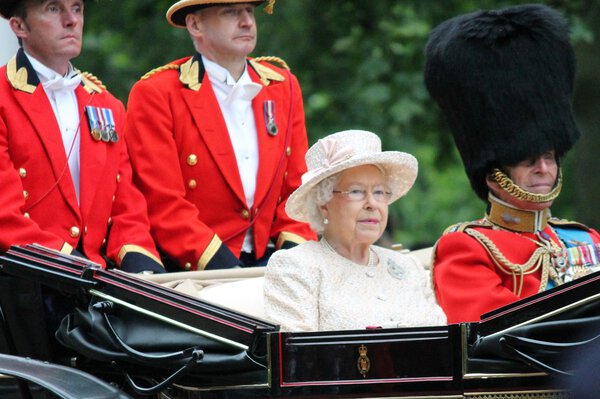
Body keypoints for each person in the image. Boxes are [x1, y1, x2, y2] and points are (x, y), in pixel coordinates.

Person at [424, 4, 600, 323]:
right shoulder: (466, 248)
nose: (544, 169)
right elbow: (498, 339)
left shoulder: (586, 240)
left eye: (549, 157)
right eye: (528, 159)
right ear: (494, 175)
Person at [125, 0, 316, 272]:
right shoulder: (157, 93)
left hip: (274, 263)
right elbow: (163, 203)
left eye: (249, 11)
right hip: (197, 270)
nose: (247, 22)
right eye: (231, 12)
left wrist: (292, 262)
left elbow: (298, 191)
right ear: (195, 24)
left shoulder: (283, 87)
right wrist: (228, 270)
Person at [0, 0, 164, 273]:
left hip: (94, 281)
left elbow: (126, 207)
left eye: (76, 8)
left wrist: (145, 271)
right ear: (19, 26)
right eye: (53, 9)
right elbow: (5, 217)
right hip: (22, 280)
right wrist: (74, 265)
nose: (71, 20)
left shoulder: (106, 105)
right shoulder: (3, 98)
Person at [263, 130, 447, 332]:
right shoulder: (296, 267)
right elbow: (297, 356)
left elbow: (442, 342)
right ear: (323, 203)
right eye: (357, 192)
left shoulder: (409, 267)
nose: (372, 204)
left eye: (379, 192)